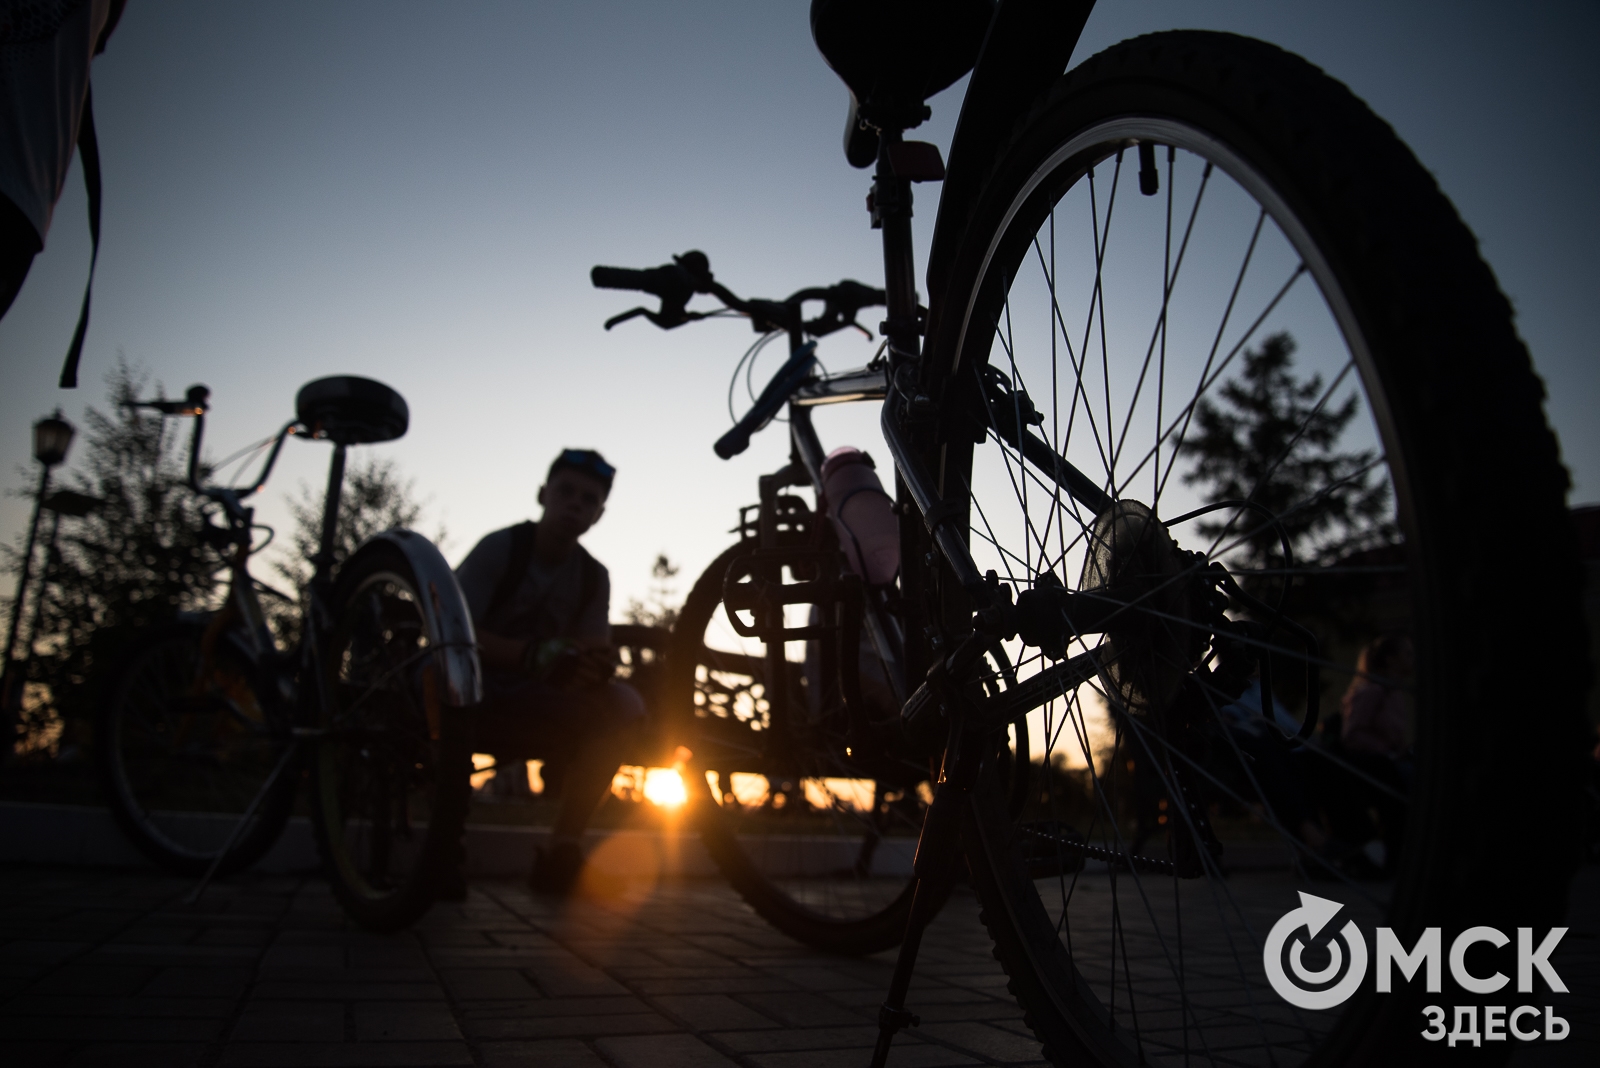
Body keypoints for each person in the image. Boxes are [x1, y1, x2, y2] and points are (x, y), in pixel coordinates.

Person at [452, 449, 645, 894]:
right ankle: (448, 843)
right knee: (451, 687)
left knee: (623, 705)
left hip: (540, 696)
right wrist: (530, 655)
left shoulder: (595, 576)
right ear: (543, 495)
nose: (575, 504)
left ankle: (564, 849)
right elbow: (453, 633)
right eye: (566, 492)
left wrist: (591, 667)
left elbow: (595, 648)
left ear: (599, 514)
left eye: (589, 499)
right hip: (472, 684)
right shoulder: (500, 548)